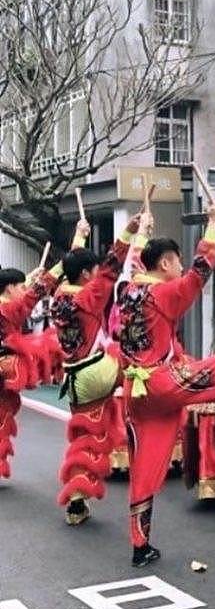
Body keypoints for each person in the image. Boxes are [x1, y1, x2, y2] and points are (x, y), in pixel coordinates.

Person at [118, 203, 215, 567]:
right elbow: (200, 273)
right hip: (160, 384)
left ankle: (141, 545)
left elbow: (135, 260)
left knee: (145, 468)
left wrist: (142, 231)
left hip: (135, 394)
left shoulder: (128, 289)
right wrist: (214, 226)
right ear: (166, 263)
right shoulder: (163, 293)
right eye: (177, 262)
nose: (181, 267)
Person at [52, 213, 139, 525]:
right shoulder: (90, 295)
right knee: (141, 357)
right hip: (98, 369)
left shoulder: (58, 295)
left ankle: (78, 498)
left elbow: (71, 268)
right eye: (93, 271)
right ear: (87, 273)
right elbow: (112, 267)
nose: (96, 274)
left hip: (74, 375)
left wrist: (79, 236)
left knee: (83, 437)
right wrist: (129, 232)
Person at [0, 262, 65, 480]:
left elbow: (26, 293)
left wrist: (30, 278)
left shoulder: (5, 304)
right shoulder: (9, 309)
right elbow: (32, 296)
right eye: (19, 286)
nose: (23, 290)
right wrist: (59, 267)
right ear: (9, 288)